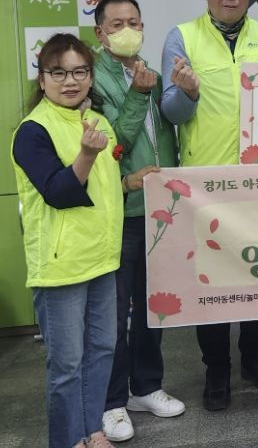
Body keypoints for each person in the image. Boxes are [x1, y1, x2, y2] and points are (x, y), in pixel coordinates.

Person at [11, 33, 156, 448]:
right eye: (58, 73)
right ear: (42, 79)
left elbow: (101, 190)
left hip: (103, 260)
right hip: (62, 268)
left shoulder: (98, 121)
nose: (70, 81)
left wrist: (129, 181)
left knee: (102, 351)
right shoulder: (32, 131)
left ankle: (93, 431)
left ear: (90, 78)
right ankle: (69, 439)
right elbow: (59, 192)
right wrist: (88, 155)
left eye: (79, 72)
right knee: (67, 366)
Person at [161, 0, 258, 412]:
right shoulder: (182, 37)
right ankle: (216, 368)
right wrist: (188, 93)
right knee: (210, 280)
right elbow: (171, 111)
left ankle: (256, 358)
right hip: (205, 182)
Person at [92, 0, 184, 442]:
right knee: (114, 312)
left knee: (153, 306)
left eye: (134, 22)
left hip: (159, 207)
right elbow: (114, 144)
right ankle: (111, 401)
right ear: (100, 33)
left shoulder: (152, 72)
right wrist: (138, 94)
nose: (127, 30)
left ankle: (145, 387)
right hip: (121, 210)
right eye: (117, 24)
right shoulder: (92, 80)